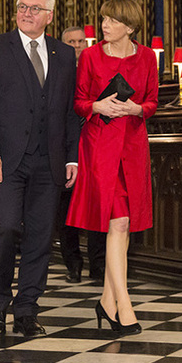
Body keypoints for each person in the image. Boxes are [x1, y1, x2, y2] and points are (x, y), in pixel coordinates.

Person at [0, 0, 81, 338]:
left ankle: (27, 310)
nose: (27, 13)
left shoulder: (64, 54)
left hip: (49, 161)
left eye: (35, 8)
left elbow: (68, 110)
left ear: (49, 16)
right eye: (22, 6)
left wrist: (72, 157)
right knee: (3, 228)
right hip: (5, 159)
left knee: (40, 237)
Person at [66, 0, 158, 336]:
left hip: (133, 147)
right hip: (100, 146)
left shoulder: (147, 57)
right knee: (117, 223)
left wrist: (136, 110)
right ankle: (125, 305)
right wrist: (97, 104)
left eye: (112, 21)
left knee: (123, 224)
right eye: (104, 19)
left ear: (130, 27)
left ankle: (106, 303)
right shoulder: (90, 56)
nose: (105, 26)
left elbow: (152, 101)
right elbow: (77, 103)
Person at [56, 26, 106, 284]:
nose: (77, 46)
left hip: (93, 144)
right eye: (71, 41)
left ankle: (98, 267)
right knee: (67, 212)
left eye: (81, 41)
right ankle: (72, 264)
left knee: (97, 207)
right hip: (65, 148)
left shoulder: (96, 67)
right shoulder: (57, 70)